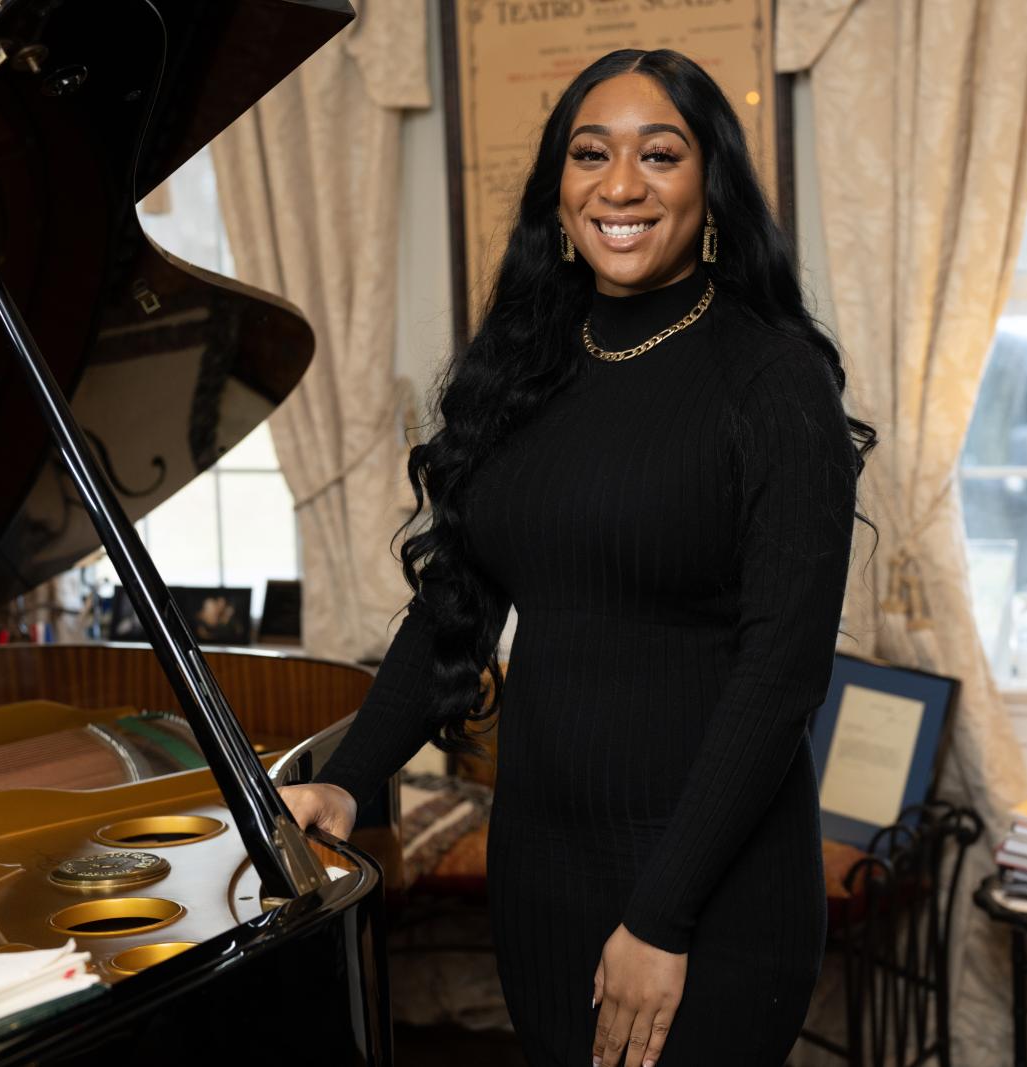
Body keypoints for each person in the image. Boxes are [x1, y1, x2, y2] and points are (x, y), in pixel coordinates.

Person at [280, 47, 875, 1067]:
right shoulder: (523, 367)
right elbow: (455, 602)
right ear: (558, 190)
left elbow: (779, 678)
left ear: (711, 184)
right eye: (590, 153)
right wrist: (346, 776)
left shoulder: (774, 383)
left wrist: (660, 919)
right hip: (542, 868)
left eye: (661, 154)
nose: (622, 184)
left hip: (709, 886)